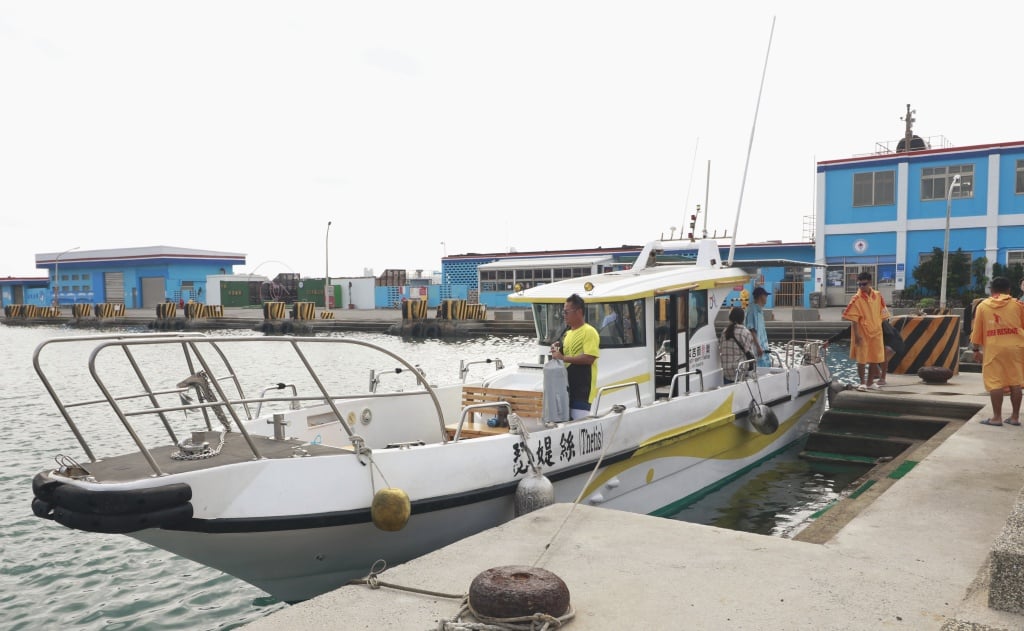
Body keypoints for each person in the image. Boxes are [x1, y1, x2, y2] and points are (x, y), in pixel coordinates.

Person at [970, 276, 1024, 426]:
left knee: (995, 382)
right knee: (1016, 382)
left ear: (992, 290)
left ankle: (997, 417)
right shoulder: (1018, 305)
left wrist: (975, 349)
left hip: (993, 348)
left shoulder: (983, 306)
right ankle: (1014, 418)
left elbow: (977, 331)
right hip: (1016, 347)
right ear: (1009, 290)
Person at [551, 293, 600, 420]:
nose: (564, 315)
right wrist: (556, 351)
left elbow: (590, 358)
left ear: (578, 312)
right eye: (563, 312)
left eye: (567, 312)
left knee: (579, 425)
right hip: (568, 389)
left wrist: (563, 358)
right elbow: (563, 355)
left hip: (582, 390)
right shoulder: (567, 334)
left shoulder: (589, 331)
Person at [841, 272, 888, 391]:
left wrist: (883, 328)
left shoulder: (877, 296)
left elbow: (883, 313)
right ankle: (862, 382)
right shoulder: (856, 299)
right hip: (862, 332)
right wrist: (856, 335)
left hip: (876, 331)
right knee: (861, 359)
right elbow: (853, 319)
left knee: (875, 358)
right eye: (860, 284)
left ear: (870, 282)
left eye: (864, 284)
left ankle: (870, 382)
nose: (861, 287)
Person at [720, 307, 761, 384]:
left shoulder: (724, 332)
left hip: (726, 372)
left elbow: (721, 349)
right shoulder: (745, 332)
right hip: (739, 372)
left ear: (730, 318)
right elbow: (749, 352)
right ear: (743, 319)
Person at [745, 287, 771, 368]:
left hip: (763, 346)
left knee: (765, 366)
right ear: (761, 296)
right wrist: (758, 346)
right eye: (765, 295)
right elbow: (751, 329)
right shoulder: (752, 310)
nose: (767, 298)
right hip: (757, 347)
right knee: (759, 367)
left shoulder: (759, 310)